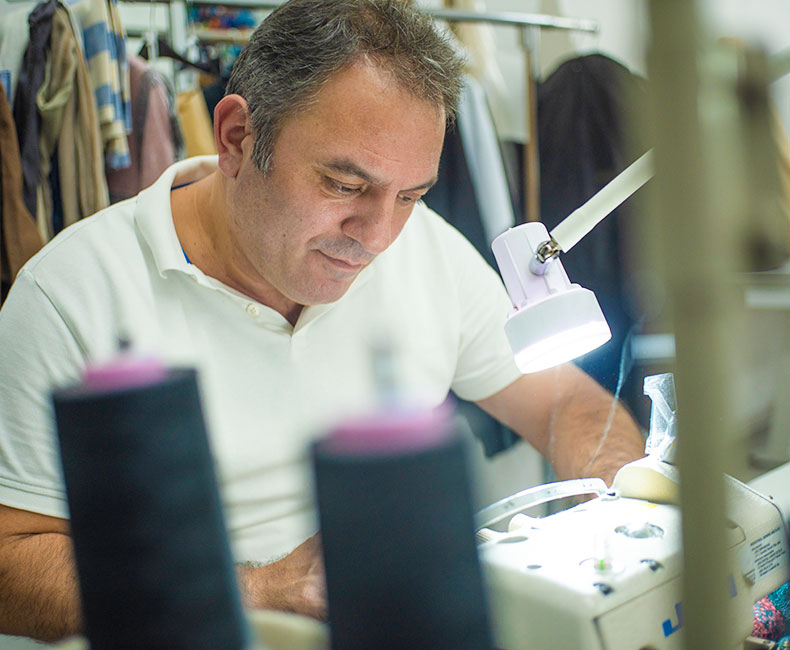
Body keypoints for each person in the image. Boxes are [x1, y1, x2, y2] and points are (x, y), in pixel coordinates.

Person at [0, 0, 645, 641]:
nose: (379, 235)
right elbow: (9, 565)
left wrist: (629, 513)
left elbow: (568, 407)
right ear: (236, 138)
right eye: (343, 184)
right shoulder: (70, 294)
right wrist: (261, 586)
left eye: (410, 196)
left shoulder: (426, 248)